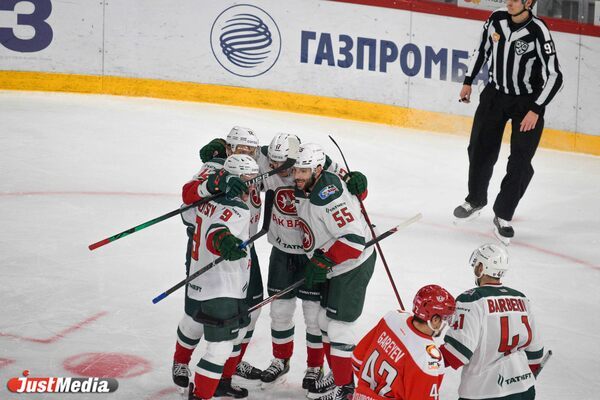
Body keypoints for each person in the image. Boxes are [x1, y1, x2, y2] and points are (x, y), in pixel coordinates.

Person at [201, 132, 369, 390]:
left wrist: (360, 184)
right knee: (279, 311)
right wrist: (219, 152)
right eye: (273, 162)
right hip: (281, 250)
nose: (277, 168)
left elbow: (351, 192)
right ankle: (281, 360)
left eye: (283, 164)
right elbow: (241, 154)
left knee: (313, 316)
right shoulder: (268, 158)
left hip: (312, 253)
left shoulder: (316, 165)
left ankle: (315, 367)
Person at [453, 0, 563, 243]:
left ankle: (503, 214)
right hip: (495, 95)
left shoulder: (538, 31)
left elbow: (555, 75)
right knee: (479, 147)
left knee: (521, 162)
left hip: (527, 103)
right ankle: (475, 199)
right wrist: (468, 81)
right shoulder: (496, 19)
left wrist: (536, 109)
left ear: (529, 2)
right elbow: (481, 50)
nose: (509, 2)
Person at [172, 128, 263, 398]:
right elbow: (189, 197)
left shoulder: (252, 166)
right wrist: (213, 185)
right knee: (197, 316)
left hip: (242, 253)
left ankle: (225, 374)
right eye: (240, 148)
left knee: (249, 314)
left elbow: (289, 159)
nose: (247, 153)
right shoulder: (214, 169)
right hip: (213, 256)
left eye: (251, 149)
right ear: (228, 148)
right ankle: (185, 363)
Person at [293, 143, 377, 400]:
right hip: (336, 264)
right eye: (297, 169)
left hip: (352, 265)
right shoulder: (311, 183)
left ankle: (345, 390)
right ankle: (340, 376)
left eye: (304, 171)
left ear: (318, 170)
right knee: (323, 322)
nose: (297, 176)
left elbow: (353, 241)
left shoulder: (327, 197)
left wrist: (323, 262)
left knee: (339, 327)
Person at [441, 243, 545, 400]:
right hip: (524, 389)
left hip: (484, 392)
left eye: (476, 264)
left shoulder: (471, 300)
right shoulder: (521, 298)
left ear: (481, 268)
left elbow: (457, 353)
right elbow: (536, 353)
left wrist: (426, 359)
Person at [351, 285, 456, 400]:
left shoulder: (392, 317)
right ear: (434, 319)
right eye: (445, 318)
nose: (446, 322)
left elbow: (357, 359)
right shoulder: (429, 358)